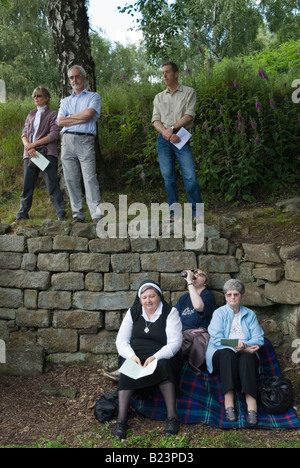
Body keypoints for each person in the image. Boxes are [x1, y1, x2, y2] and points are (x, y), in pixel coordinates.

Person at [115, 279, 183, 440]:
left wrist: (155, 357)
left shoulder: (170, 312)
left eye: (152, 296)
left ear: (159, 296)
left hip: (161, 354)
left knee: (164, 367)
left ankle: (172, 418)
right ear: (140, 299)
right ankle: (121, 421)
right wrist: (132, 356)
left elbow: (175, 342)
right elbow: (121, 341)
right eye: (144, 297)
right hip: (136, 354)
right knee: (127, 370)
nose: (148, 301)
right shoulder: (134, 312)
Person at [206, 279, 264, 426]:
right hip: (221, 354)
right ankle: (229, 403)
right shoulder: (219, 313)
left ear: (242, 296)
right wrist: (235, 344)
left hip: (246, 352)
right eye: (229, 294)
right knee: (228, 354)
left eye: (236, 294)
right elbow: (216, 339)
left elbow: (259, 338)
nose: (232, 297)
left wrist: (245, 346)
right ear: (225, 296)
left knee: (246, 358)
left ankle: (252, 407)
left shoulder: (249, 314)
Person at [152, 62, 203, 223]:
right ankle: (174, 213)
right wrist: (166, 133)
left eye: (167, 72)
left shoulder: (189, 92)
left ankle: (197, 214)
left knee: (190, 176)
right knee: (168, 178)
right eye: (162, 73)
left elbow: (189, 115)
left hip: (181, 137)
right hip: (164, 141)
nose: (164, 76)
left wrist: (172, 129)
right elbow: (155, 120)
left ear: (176, 74)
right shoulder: (159, 97)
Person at [12, 87, 66, 224]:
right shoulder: (31, 114)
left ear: (47, 98)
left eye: (39, 95)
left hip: (46, 153)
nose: (36, 98)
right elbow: (24, 134)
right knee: (27, 186)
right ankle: (21, 215)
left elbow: (54, 135)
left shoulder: (53, 115)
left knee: (52, 184)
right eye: (34, 96)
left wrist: (34, 144)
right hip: (29, 154)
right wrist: (28, 146)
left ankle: (60, 213)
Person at [57, 65, 102, 224]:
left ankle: (96, 215)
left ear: (84, 78)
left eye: (77, 76)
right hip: (67, 141)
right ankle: (78, 215)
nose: (74, 80)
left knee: (90, 178)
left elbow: (89, 114)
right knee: (70, 179)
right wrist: (79, 117)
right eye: (71, 77)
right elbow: (60, 121)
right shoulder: (65, 100)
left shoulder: (93, 96)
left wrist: (70, 117)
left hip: (85, 140)